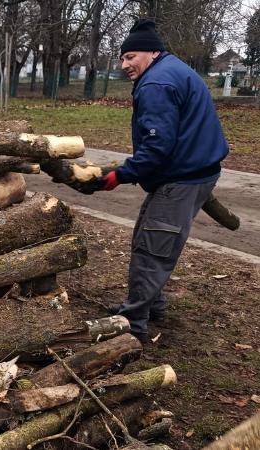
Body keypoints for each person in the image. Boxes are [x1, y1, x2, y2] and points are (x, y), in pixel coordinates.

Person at [98, 18, 229, 344]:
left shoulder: (156, 83)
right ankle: (150, 305)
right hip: (190, 171)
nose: (124, 64)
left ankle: (133, 326)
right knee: (148, 237)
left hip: (182, 178)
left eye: (130, 57)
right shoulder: (172, 70)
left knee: (153, 249)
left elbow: (157, 146)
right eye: (122, 58)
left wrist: (120, 175)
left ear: (152, 52)